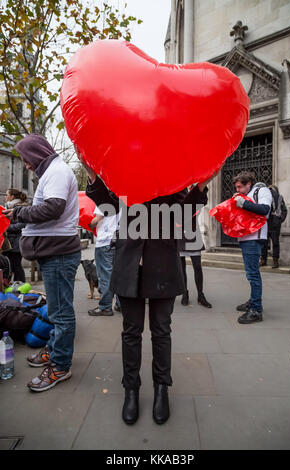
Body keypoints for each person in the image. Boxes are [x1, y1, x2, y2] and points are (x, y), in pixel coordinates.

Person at [77, 148, 217, 425]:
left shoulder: (171, 178)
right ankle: (131, 388)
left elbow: (184, 211)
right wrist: (92, 174)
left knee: (161, 331)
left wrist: (201, 184)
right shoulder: (124, 176)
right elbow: (109, 206)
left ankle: (162, 388)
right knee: (131, 331)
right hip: (129, 264)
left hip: (162, 263)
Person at [3, 134, 81, 392]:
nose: (26, 165)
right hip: (53, 253)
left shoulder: (57, 171)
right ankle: (55, 352)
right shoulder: (51, 172)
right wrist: (15, 218)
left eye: (26, 159)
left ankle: (60, 366)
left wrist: (19, 212)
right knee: (59, 311)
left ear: (37, 153)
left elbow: (53, 208)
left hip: (58, 254)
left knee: (61, 313)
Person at [233, 171, 272, 324]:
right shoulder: (247, 194)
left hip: (254, 239)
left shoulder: (261, 190)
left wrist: (243, 203)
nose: (237, 190)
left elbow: (264, 209)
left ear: (248, 184)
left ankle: (256, 309)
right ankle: (253, 301)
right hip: (246, 238)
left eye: (239, 187)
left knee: (253, 275)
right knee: (251, 274)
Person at [179, 185, 212, 308]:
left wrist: (201, 187)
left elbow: (203, 201)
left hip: (193, 232)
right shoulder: (178, 191)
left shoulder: (196, 190)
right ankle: (184, 293)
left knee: (197, 266)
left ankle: (200, 295)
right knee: (181, 267)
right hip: (179, 233)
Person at [88, 205, 121, 315]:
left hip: (105, 241)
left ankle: (105, 307)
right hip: (119, 241)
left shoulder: (104, 199)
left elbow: (97, 219)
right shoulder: (123, 199)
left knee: (105, 275)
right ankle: (120, 304)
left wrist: (90, 224)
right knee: (118, 274)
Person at [3, 189, 28, 282]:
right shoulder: (7, 207)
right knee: (8, 265)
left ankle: (21, 285)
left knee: (16, 265)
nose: (5, 197)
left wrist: (6, 227)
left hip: (17, 242)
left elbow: (21, 225)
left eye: (7, 195)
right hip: (8, 242)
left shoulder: (21, 207)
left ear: (12, 196)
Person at [260, 185, 287, 269]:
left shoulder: (277, 197)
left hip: (271, 224)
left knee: (270, 243)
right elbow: (284, 210)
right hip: (270, 223)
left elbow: (284, 210)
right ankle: (269, 261)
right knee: (269, 243)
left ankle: (270, 261)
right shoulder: (273, 198)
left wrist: (279, 219)